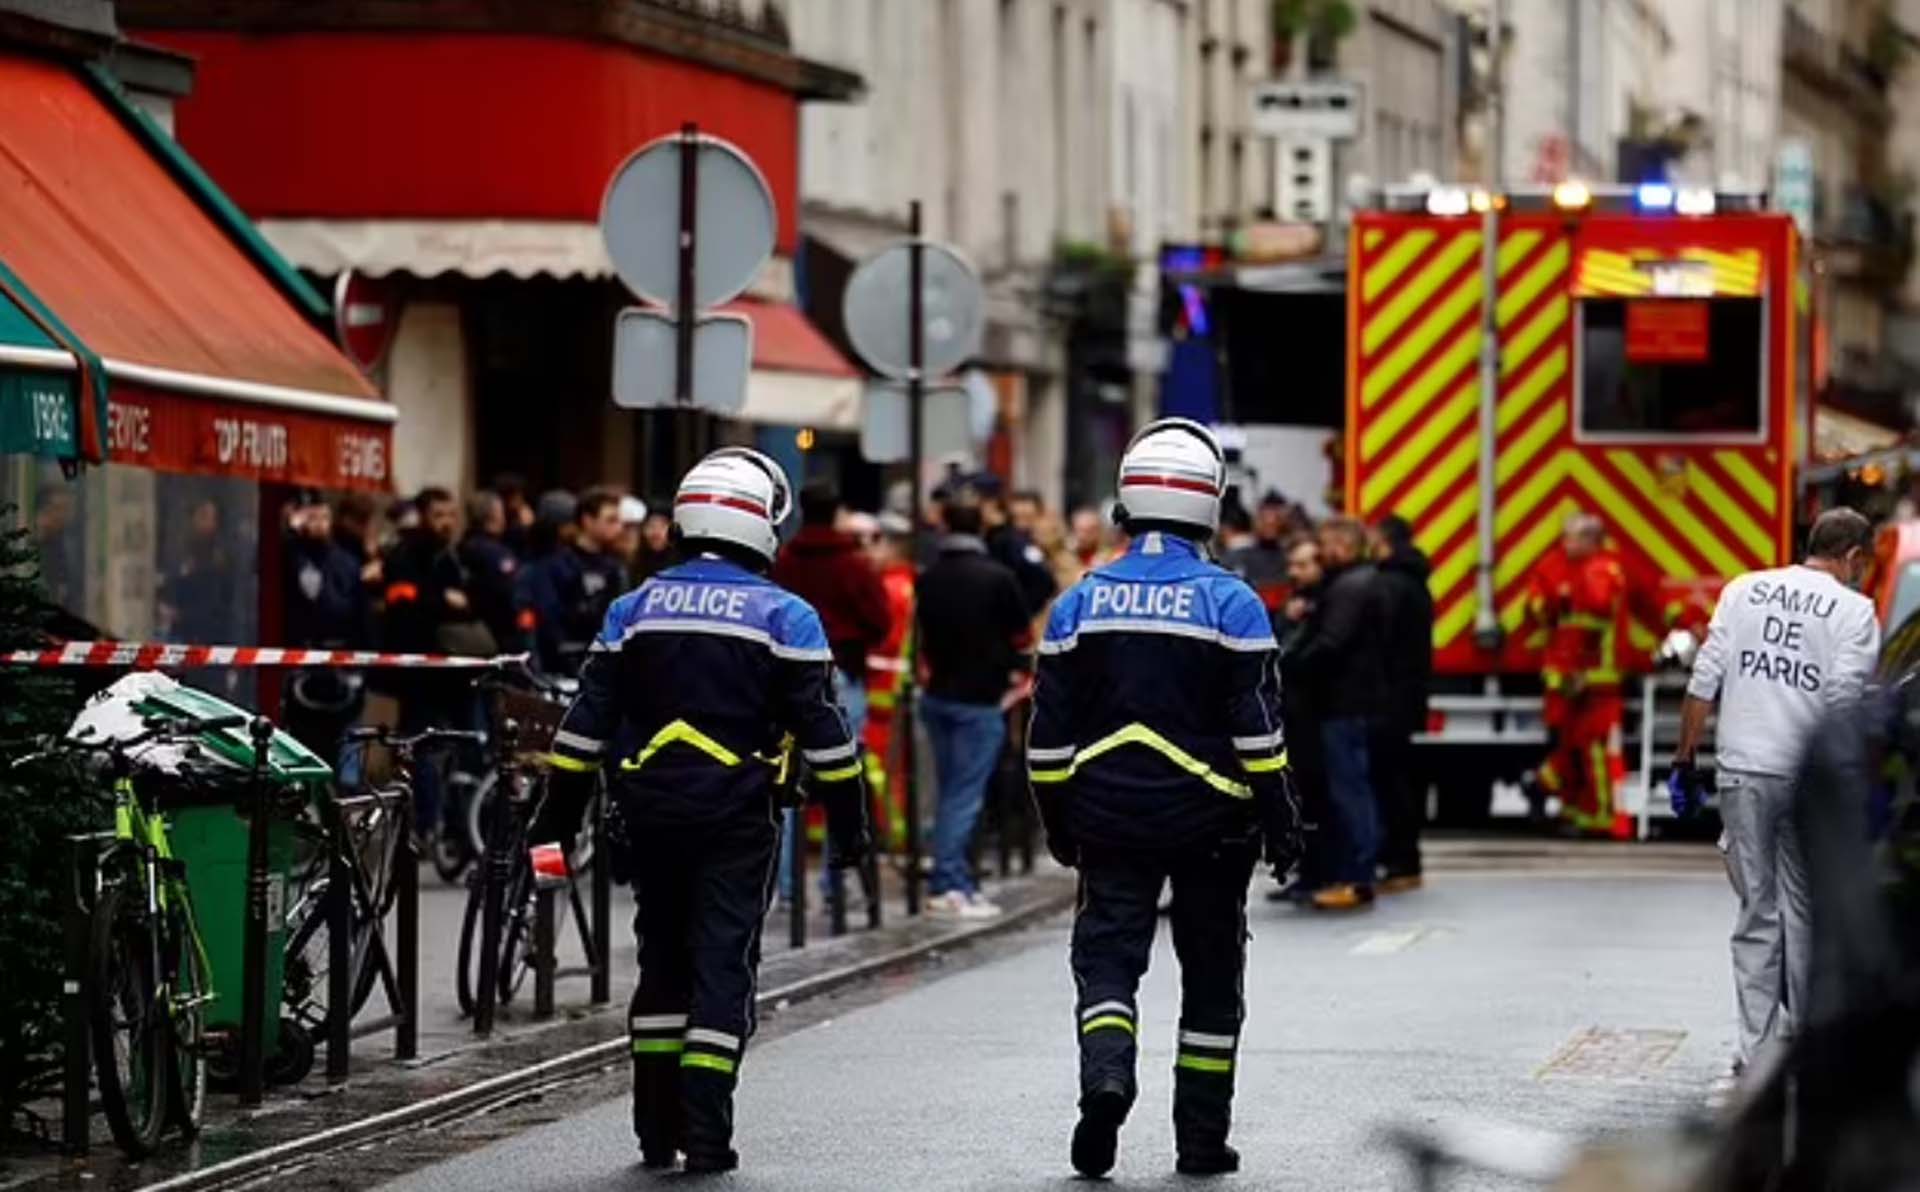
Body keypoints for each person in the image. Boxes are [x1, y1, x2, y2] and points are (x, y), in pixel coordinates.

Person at [539, 447, 870, 1173]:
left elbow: (581, 731)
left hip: (647, 817)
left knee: (662, 961)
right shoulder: (786, 615)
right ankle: (707, 1132)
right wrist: (849, 823)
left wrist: (551, 827)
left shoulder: (633, 609)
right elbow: (826, 734)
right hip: (737, 819)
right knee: (722, 964)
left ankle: (654, 1128)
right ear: (760, 526)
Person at [1028, 417, 1300, 1179]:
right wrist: (1282, 824)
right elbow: (1260, 736)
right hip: (1215, 826)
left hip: (1109, 820)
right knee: (1211, 980)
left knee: (1108, 964)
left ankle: (1106, 1076)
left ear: (1127, 501)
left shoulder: (1079, 604)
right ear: (1210, 504)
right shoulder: (1234, 605)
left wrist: (1059, 824)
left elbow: (1046, 744)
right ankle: (1200, 1142)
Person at [1672, 508, 1879, 1079]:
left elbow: (1703, 681)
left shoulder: (1745, 590)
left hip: (1741, 771)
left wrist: (1684, 759)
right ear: (1854, 557)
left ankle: (1754, 1048)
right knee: (1807, 911)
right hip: (1807, 780)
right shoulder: (1854, 611)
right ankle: (1810, 1042)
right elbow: (1844, 706)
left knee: (1755, 912)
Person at [771, 482, 892, 894]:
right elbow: (880, 618)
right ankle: (833, 883)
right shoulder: (853, 565)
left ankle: (785, 884)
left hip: (784, 672)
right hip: (841, 669)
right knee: (840, 770)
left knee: (783, 774)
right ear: (836, 512)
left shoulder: (783, 560)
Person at [916, 493, 1031, 918]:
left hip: (938, 694)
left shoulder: (928, 577)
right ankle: (949, 884)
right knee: (964, 797)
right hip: (980, 698)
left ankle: (958, 879)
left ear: (945, 528)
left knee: (950, 792)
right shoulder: (997, 578)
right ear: (980, 529)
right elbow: (1020, 636)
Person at [1285, 516, 1387, 911]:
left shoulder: (1349, 588)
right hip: (1344, 704)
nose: (1321, 551)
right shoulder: (1353, 584)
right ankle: (1353, 873)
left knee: (1349, 794)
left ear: (1343, 544)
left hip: (1342, 705)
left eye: (1326, 544)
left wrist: (1287, 664)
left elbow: (1330, 644)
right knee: (1349, 791)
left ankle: (1357, 877)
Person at [381, 487, 484, 832]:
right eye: (439, 515)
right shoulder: (405, 556)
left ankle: (459, 825)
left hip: (458, 671)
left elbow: (478, 601)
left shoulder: (458, 557)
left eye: (451, 515)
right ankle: (426, 822)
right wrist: (443, 600)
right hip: (419, 672)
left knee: (466, 745)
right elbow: (404, 606)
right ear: (424, 517)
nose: (446, 523)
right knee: (421, 745)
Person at [1523, 513, 1630, 837]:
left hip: (1593, 680)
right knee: (1573, 747)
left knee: (1590, 749)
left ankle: (1592, 814)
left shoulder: (1601, 572)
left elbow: (1593, 626)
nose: (1566, 545)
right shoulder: (1567, 568)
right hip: (1574, 680)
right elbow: (1547, 611)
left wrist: (1584, 674)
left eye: (1573, 538)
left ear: (1591, 541)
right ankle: (1564, 802)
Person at [282, 490, 374, 772]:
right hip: (303, 667)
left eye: (324, 516)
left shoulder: (346, 562)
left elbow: (353, 613)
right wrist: (292, 536)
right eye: (312, 517)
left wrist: (361, 669)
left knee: (345, 757)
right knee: (306, 750)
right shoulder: (292, 557)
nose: (319, 523)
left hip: (342, 669)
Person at [1371, 515, 1433, 890]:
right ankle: (1402, 858)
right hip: (1407, 695)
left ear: (1384, 542)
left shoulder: (1390, 586)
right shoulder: (1414, 584)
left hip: (1387, 697)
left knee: (1390, 783)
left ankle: (1400, 860)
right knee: (1402, 779)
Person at [1272, 534, 1332, 902]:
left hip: (1314, 715)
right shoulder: (1296, 603)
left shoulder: (1323, 603)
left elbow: (1297, 655)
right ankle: (1304, 871)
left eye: (1303, 565)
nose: (1295, 572)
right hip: (1294, 713)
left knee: (1315, 797)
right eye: (1292, 564)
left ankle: (1317, 871)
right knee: (1300, 795)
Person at [518, 487, 630, 676]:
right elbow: (550, 620)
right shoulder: (557, 565)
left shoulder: (616, 568)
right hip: (565, 664)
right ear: (587, 520)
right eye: (611, 520)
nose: (619, 527)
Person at [974, 473, 1058, 616]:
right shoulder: (992, 536)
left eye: (1028, 518)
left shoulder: (1011, 540)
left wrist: (1019, 615)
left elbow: (1045, 582)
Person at [460, 490, 521, 652]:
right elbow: (511, 591)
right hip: (499, 633)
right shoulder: (496, 553)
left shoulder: (461, 546)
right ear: (493, 515)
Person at [1223, 490, 1292, 605]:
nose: (1270, 521)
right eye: (1265, 517)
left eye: (1276, 517)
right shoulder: (1236, 557)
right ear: (1257, 520)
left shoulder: (1291, 559)